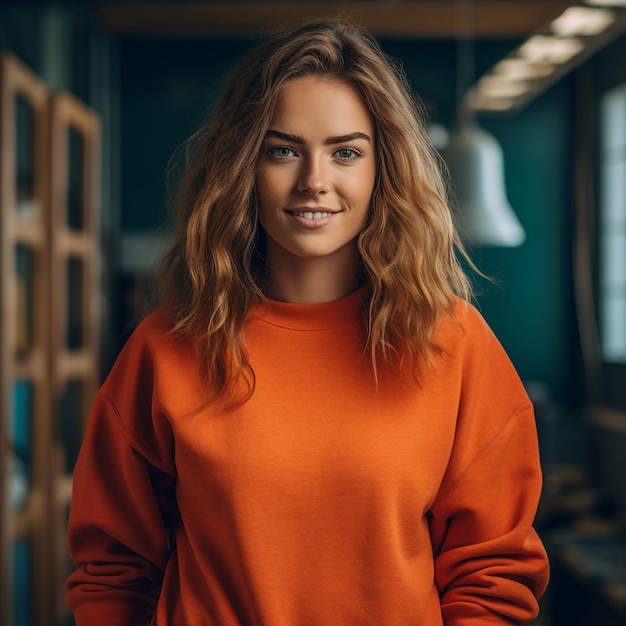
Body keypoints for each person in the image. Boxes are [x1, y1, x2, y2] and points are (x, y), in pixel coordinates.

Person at [66, 18, 549, 625]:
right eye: (283, 150)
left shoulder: (453, 343)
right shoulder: (166, 347)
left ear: (383, 170)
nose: (314, 182)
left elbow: (493, 571)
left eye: (345, 152)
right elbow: (113, 568)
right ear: (243, 166)